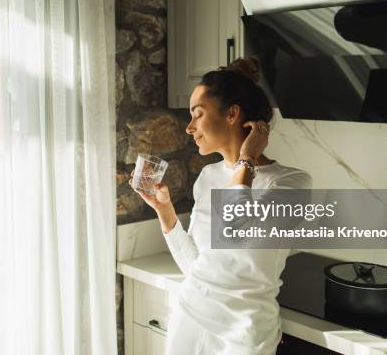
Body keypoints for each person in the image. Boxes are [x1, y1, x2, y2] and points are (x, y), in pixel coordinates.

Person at [130, 58, 312, 354]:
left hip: (243, 336)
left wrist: (247, 158)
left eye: (197, 115)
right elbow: (198, 268)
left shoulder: (291, 184)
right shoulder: (208, 177)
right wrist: (165, 213)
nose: (189, 128)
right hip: (189, 321)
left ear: (232, 114)